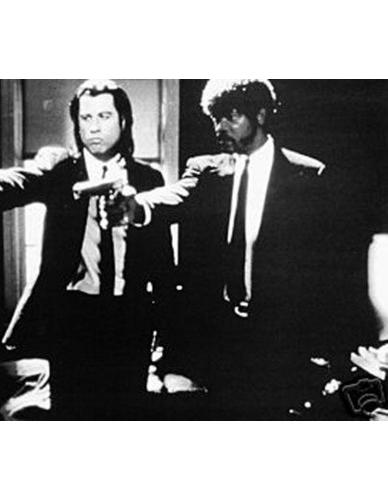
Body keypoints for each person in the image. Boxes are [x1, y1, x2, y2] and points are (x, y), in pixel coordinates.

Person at [0, 79, 174, 419]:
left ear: (124, 120)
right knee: (72, 413)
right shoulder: (60, 171)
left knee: (126, 412)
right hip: (73, 316)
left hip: (131, 317)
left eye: (104, 116)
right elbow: (16, 182)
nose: (94, 127)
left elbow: (161, 260)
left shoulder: (149, 179)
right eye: (85, 118)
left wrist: (168, 334)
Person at [129, 79, 342, 419]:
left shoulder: (307, 175)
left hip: (278, 340)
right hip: (218, 338)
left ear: (261, 115)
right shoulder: (206, 169)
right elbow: (175, 195)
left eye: (231, 117)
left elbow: (325, 270)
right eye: (215, 118)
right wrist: (136, 205)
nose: (220, 127)